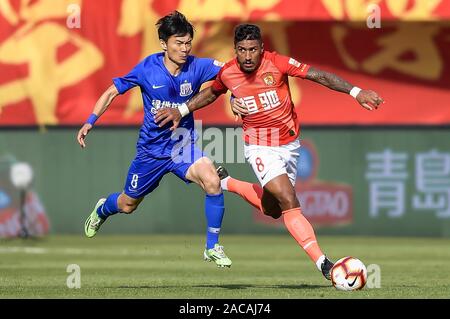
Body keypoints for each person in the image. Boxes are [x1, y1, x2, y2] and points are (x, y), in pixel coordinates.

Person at [154, 23, 384, 280]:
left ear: (262, 49)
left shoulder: (278, 63)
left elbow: (319, 75)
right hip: (260, 145)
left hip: (289, 145)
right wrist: (182, 110)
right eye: (242, 50)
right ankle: (325, 264)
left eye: (253, 49)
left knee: (273, 210)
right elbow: (211, 93)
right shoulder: (228, 72)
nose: (248, 55)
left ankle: (226, 181)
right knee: (289, 200)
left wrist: (356, 92)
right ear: (235, 50)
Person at [76, 11, 232, 268]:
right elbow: (112, 91)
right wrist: (90, 121)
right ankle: (103, 209)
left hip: (183, 146)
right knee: (128, 205)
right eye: (178, 43)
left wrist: (236, 98)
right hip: (151, 152)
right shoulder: (148, 68)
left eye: (188, 43)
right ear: (164, 44)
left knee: (212, 180)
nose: (184, 49)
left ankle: (212, 246)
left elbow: (230, 73)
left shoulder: (197, 66)